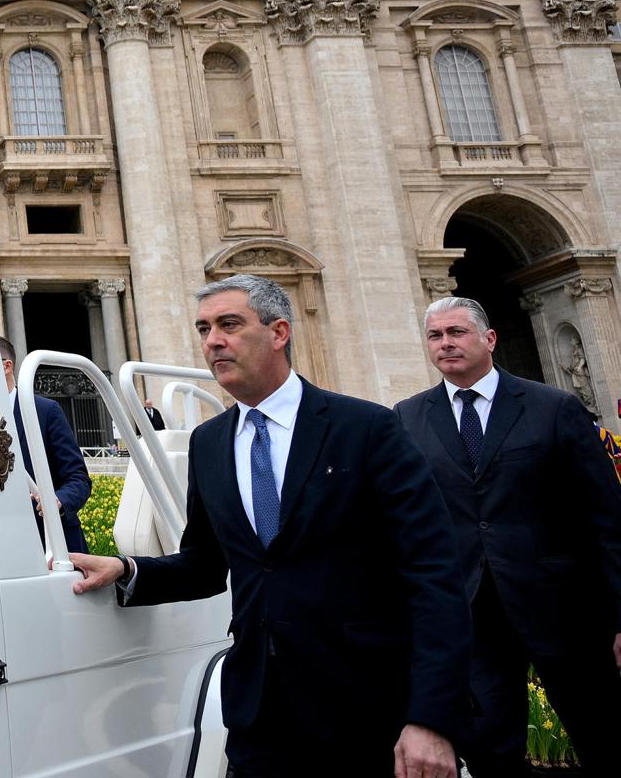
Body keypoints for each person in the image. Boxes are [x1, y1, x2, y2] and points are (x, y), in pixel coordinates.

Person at [69, 275, 466, 777]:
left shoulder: (365, 428)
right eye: (204, 328)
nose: (213, 340)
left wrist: (431, 719)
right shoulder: (209, 443)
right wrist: (127, 569)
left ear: (279, 332)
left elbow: (433, 574)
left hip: (366, 706)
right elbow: (205, 565)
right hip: (259, 709)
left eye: (229, 324)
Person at [395, 297, 621, 777]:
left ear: (489, 339)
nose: (446, 344)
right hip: (471, 616)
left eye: (456, 332)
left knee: (606, 734)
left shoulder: (553, 407)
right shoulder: (407, 418)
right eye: (435, 336)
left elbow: (606, 520)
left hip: (565, 612)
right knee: (489, 749)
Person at [0, 336, 91, 555]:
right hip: (0, 547)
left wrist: (56, 500)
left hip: (51, 544)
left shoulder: (46, 411)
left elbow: (78, 479)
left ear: (6, 366)